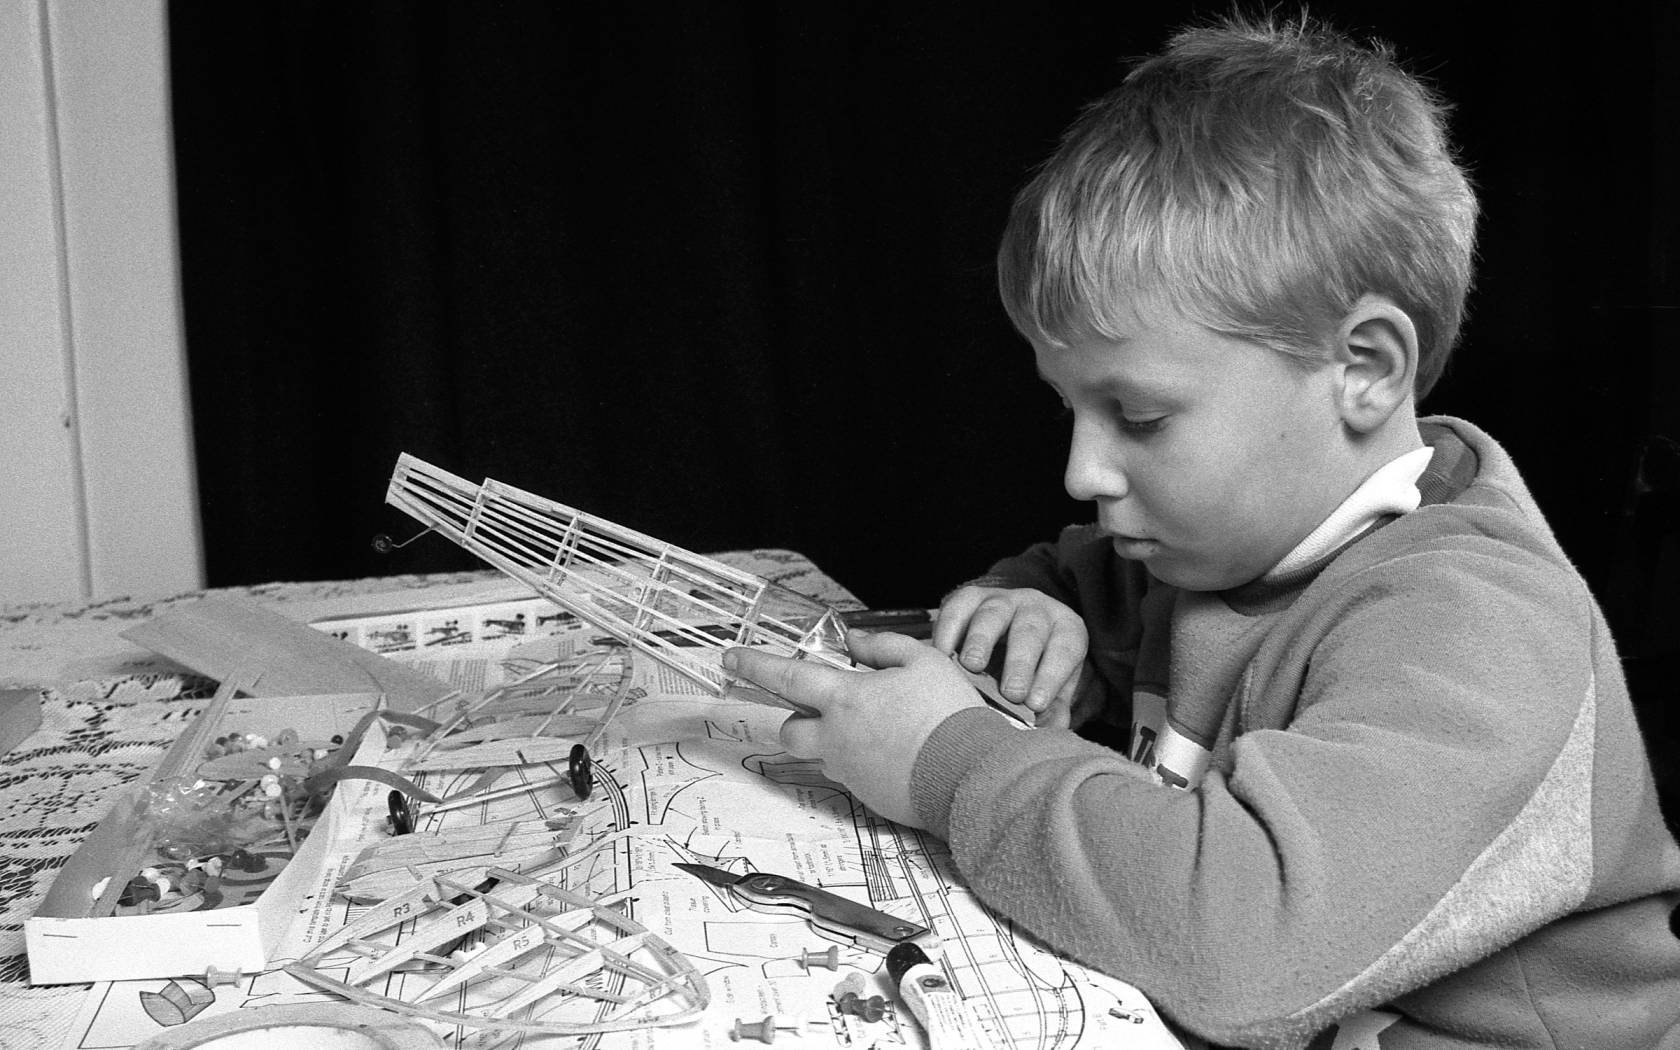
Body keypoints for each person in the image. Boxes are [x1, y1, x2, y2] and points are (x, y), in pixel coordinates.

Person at [721, 12, 1680, 1049]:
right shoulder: (1211, 545)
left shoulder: (1480, 630)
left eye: (1139, 418)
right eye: (1069, 411)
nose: (1083, 471)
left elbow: (1244, 950)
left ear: (1362, 371)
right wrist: (1029, 621)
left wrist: (949, 763)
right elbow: (1058, 580)